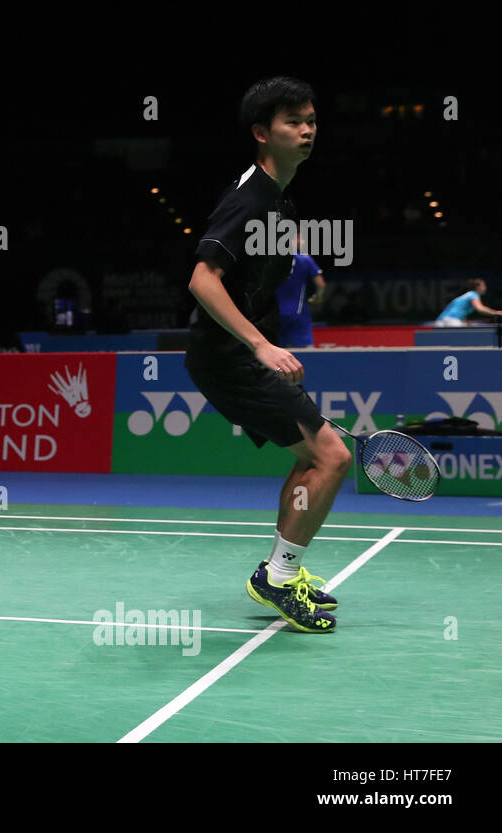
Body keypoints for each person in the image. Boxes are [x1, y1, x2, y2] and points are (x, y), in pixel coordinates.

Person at [185, 77, 350, 633]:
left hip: (242, 355)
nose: (306, 130)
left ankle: (282, 571)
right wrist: (260, 344)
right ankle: (279, 577)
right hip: (231, 357)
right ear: (262, 133)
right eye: (292, 123)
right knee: (333, 457)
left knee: (313, 457)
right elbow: (202, 279)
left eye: (310, 120)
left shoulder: (277, 195)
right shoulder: (251, 197)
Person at [275, 238, 325, 347]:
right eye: (300, 238)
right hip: (298, 312)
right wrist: (318, 298)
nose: (302, 241)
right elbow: (321, 285)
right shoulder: (305, 259)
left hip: (274, 313)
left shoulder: (272, 259)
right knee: (306, 353)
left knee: (277, 352)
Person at [434, 278, 499, 326]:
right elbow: (480, 309)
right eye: (483, 285)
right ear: (477, 287)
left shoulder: (467, 295)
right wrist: (496, 312)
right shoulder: (473, 295)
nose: (485, 288)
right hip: (451, 321)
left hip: (440, 321)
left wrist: (466, 321)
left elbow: (458, 310)